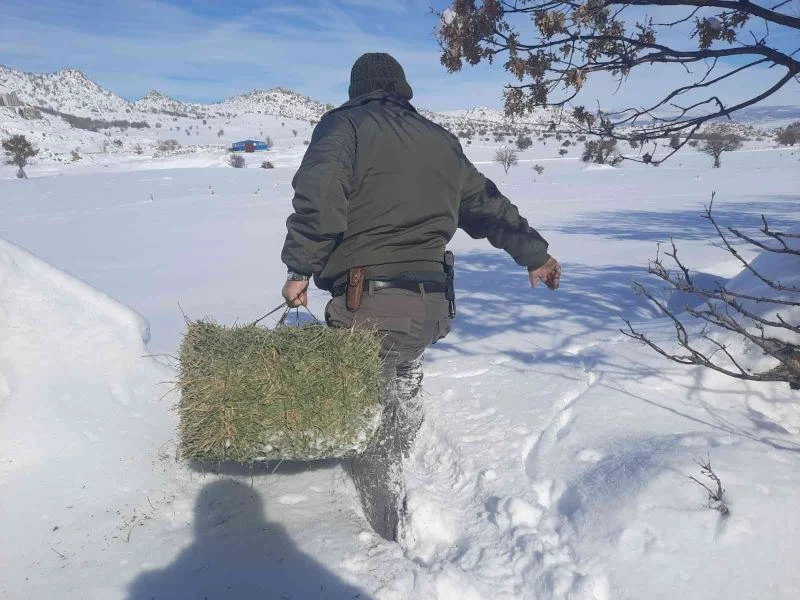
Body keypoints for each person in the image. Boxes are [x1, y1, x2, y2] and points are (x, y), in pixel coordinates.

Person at [280, 52, 561, 542]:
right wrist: (534, 254)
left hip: (369, 300)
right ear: (402, 87)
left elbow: (320, 196)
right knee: (399, 374)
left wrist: (300, 268)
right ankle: (400, 428)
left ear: (356, 87)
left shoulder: (344, 126)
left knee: (369, 407)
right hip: (432, 306)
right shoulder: (441, 140)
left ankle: (385, 520)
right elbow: (487, 206)